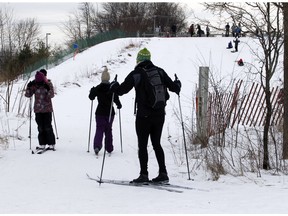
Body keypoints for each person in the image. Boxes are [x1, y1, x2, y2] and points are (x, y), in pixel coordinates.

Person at [110, 48, 181, 184]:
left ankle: (144, 174)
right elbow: (174, 88)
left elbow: (121, 90)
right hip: (160, 115)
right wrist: (178, 84)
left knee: (142, 145)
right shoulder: (160, 71)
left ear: (139, 60)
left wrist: (114, 86)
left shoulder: (136, 74)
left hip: (143, 116)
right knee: (157, 144)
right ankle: (163, 173)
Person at [88, 67, 122, 155]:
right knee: (108, 130)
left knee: (99, 129)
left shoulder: (98, 88)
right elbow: (116, 99)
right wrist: (119, 105)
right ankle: (109, 148)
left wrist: (92, 91)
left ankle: (97, 146)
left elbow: (91, 97)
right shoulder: (112, 88)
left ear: (101, 78)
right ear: (109, 78)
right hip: (110, 113)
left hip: (99, 113)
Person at [25, 69, 56, 149]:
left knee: (47, 127)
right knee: (40, 127)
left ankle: (51, 143)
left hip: (47, 109)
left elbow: (51, 95)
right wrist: (28, 87)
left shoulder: (48, 83)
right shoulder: (34, 85)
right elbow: (28, 95)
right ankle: (42, 143)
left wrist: (48, 88)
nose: (39, 83)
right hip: (38, 110)